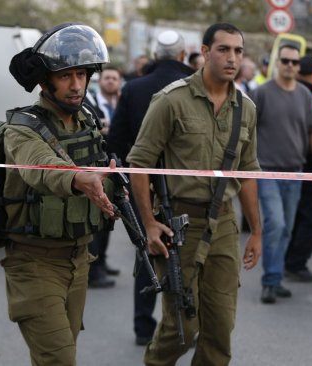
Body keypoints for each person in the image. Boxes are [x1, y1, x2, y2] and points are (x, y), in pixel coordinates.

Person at [127, 23, 261, 365]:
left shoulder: (245, 108)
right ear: (204, 52)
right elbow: (139, 165)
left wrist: (257, 231)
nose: (232, 58)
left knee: (220, 330)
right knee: (182, 328)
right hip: (179, 225)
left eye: (238, 51)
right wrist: (149, 224)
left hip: (224, 223)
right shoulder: (171, 100)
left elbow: (247, 173)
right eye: (223, 49)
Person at [3, 23, 117, 365]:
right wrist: (77, 177)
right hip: (34, 262)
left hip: (79, 259)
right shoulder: (21, 128)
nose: (76, 84)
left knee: (59, 355)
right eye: (66, 75)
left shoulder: (86, 121)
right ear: (45, 80)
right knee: (59, 360)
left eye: (81, 74)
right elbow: (39, 166)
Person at [107, 29, 195, 346]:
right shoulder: (192, 86)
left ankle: (144, 327)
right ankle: (182, 323)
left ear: (156, 55)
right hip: (186, 184)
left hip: (141, 185)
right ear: (184, 55)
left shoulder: (133, 88)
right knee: (188, 254)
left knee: (146, 251)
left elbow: (115, 140)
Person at [250, 47, 312, 303]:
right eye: (286, 61)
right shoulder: (261, 93)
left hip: (295, 173)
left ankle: (276, 277)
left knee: (286, 230)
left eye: (295, 62)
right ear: (277, 62)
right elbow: (247, 129)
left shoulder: (306, 97)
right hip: (267, 171)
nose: (291, 66)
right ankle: (270, 281)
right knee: (276, 224)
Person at [284, 55, 312, 283]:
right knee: (311, 214)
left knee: (292, 215)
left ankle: (285, 261)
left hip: (289, 165)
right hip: (310, 165)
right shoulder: (310, 98)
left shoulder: (288, 93)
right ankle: (295, 263)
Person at [84, 65, 123, 288]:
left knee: (110, 218)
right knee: (98, 221)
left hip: (116, 167)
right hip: (97, 167)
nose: (110, 81)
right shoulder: (91, 104)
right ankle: (94, 268)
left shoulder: (121, 105)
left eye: (114, 78)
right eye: (107, 77)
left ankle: (102, 261)